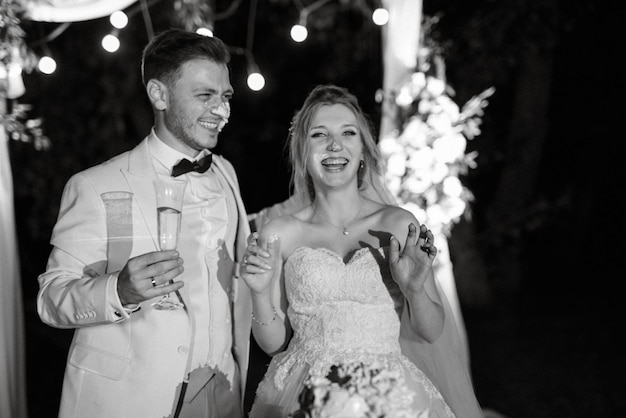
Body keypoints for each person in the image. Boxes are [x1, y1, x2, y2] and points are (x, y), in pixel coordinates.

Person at [37, 28, 252, 418]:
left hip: (223, 392)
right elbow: (51, 299)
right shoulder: (94, 185)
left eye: (225, 97)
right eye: (205, 96)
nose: (221, 111)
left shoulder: (226, 173)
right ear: (159, 95)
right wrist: (119, 291)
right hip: (133, 398)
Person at [240, 84, 484, 417]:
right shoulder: (279, 232)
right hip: (301, 392)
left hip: (389, 392)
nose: (334, 145)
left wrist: (414, 289)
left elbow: (430, 331)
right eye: (319, 135)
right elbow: (273, 343)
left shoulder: (397, 224)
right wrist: (257, 294)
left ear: (363, 150)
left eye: (347, 133)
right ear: (301, 150)